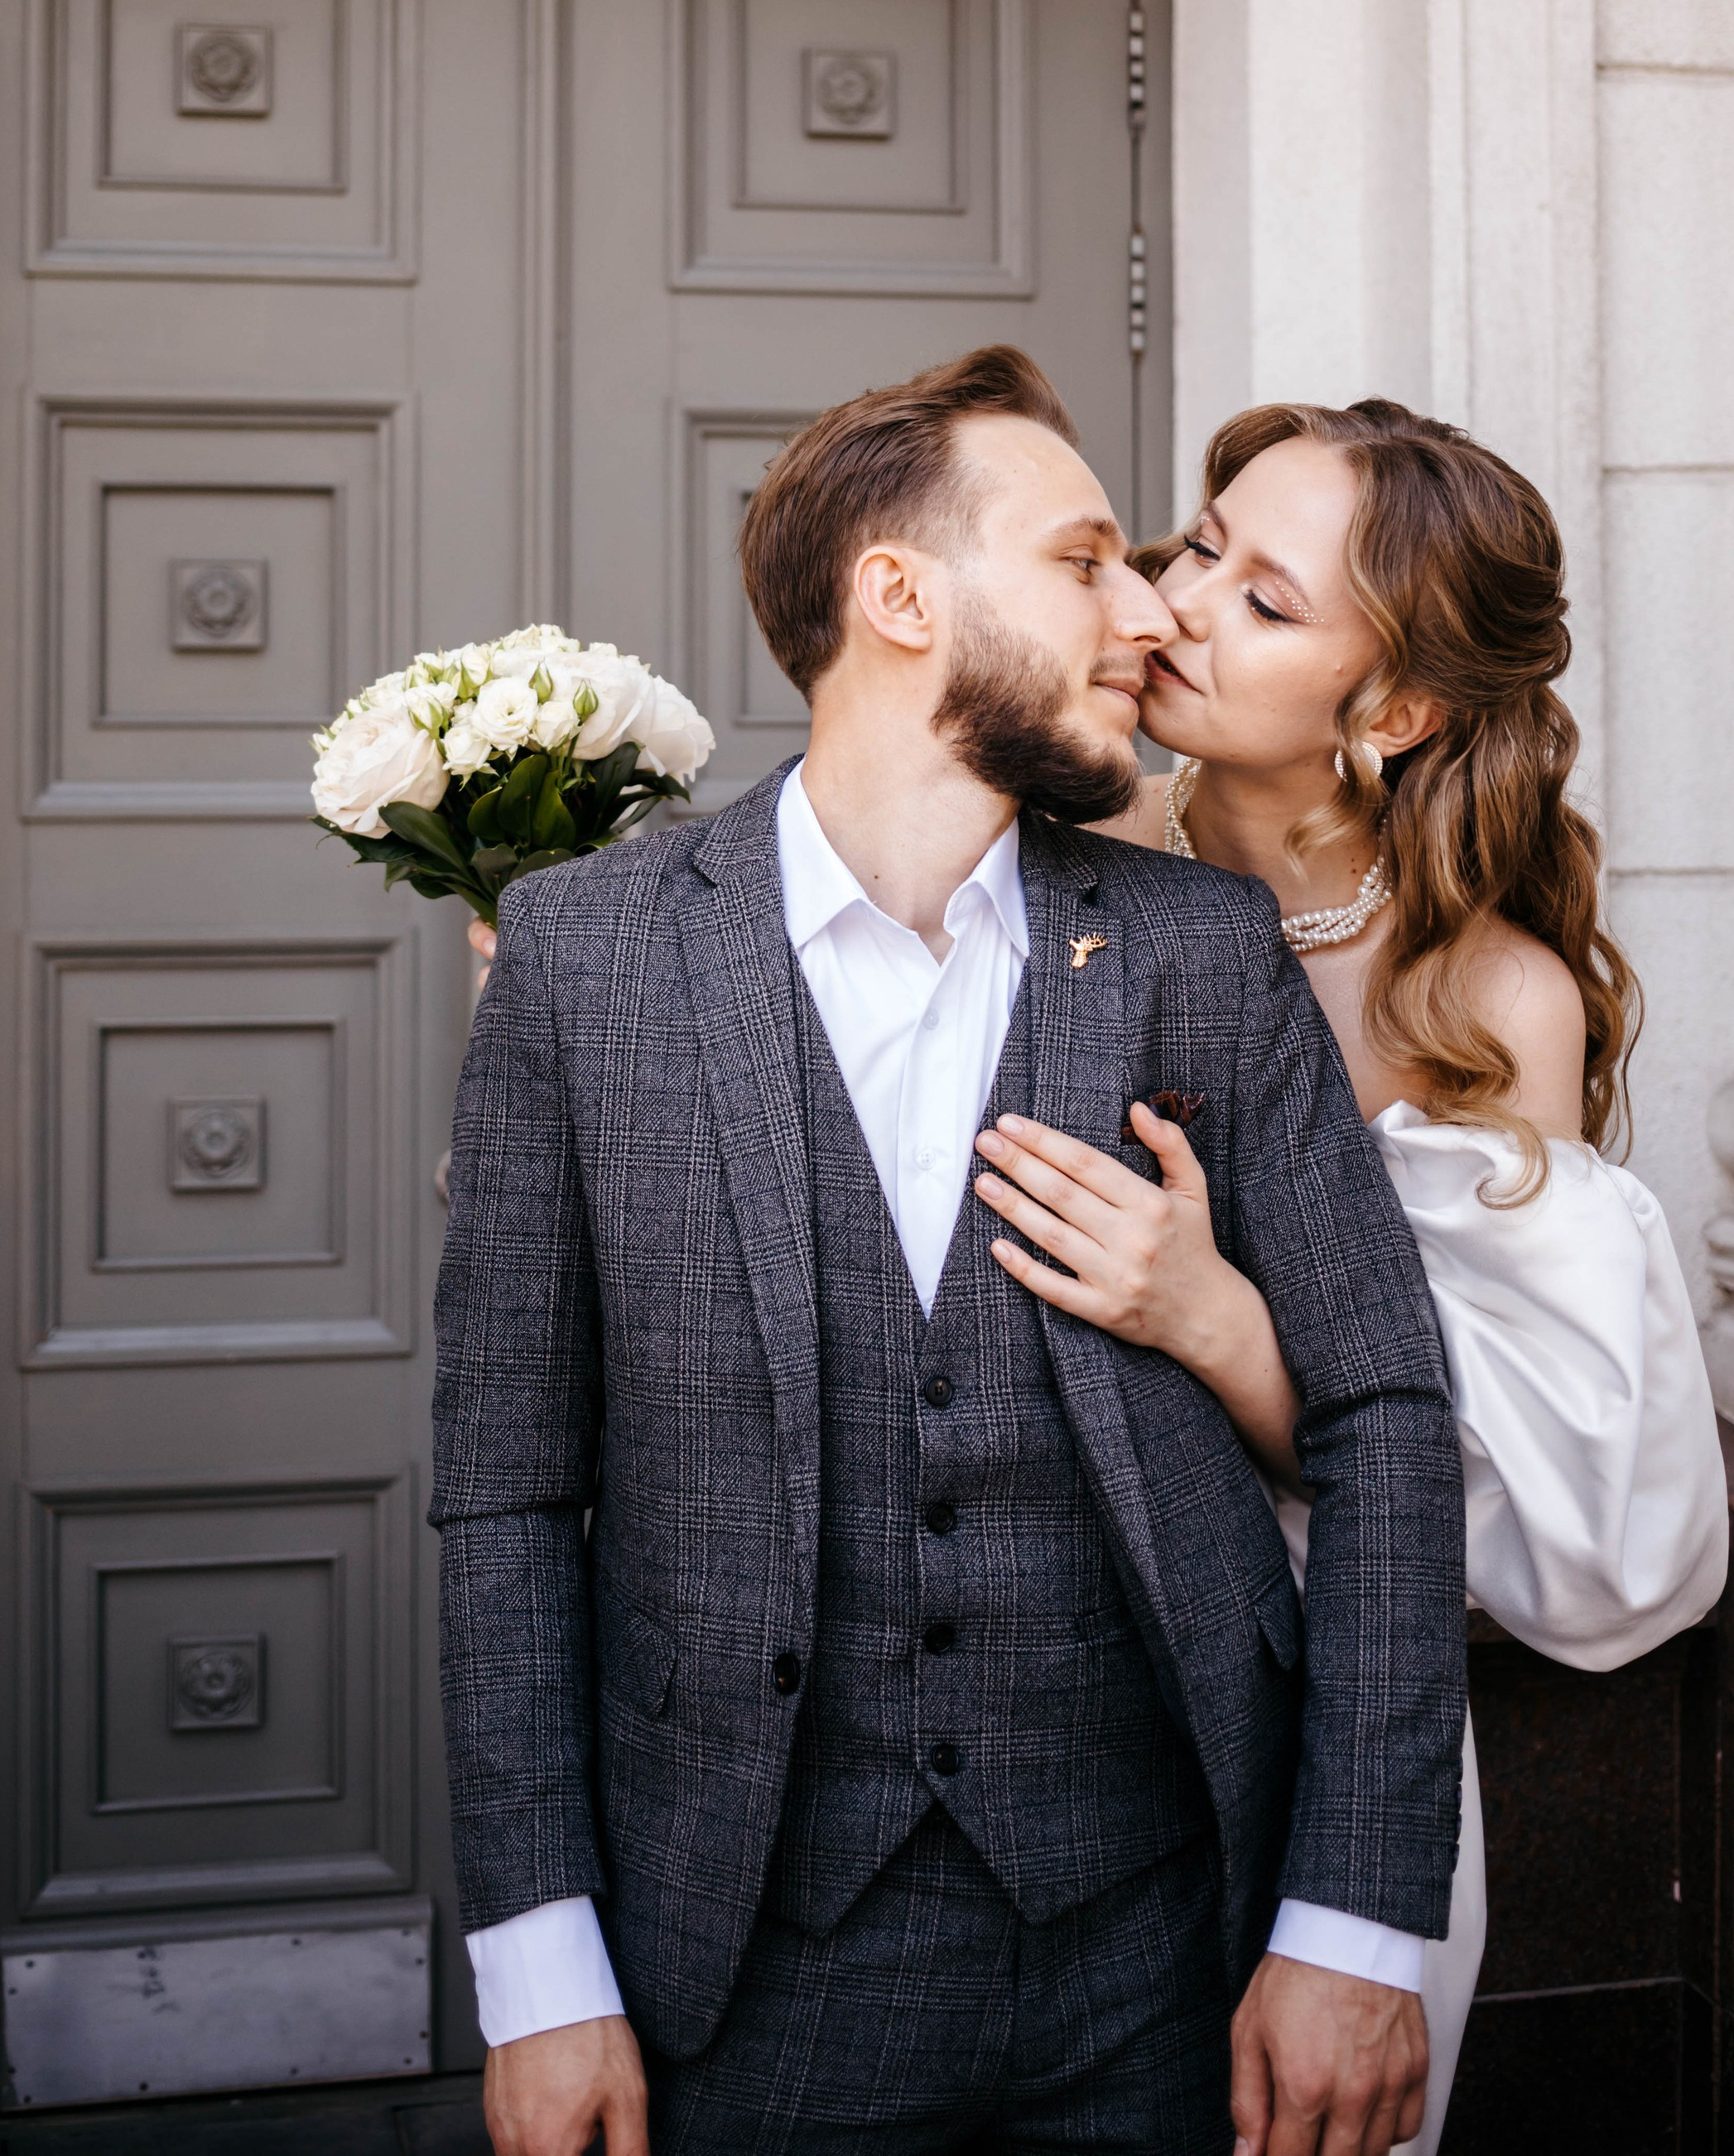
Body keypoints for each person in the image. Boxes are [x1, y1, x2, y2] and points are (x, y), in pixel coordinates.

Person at [431, 347, 1467, 2156]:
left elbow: (1386, 1416)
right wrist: (539, 1974)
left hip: (1164, 1961)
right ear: (896, 597)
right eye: (1083, 561)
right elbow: (508, 1489)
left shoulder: (1199, 953)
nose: (1144, 609)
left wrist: (1354, 1928)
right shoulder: (583, 964)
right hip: (744, 1966)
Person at [969, 400, 1730, 2156]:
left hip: (1329, 1702)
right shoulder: (1039, 867)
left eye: (1262, 598)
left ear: (1386, 710)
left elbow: (1495, 1484)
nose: (1171, 600)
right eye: (1198, 544)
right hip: (1019, 1662)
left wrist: (1219, 1323)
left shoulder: (1489, 1008)